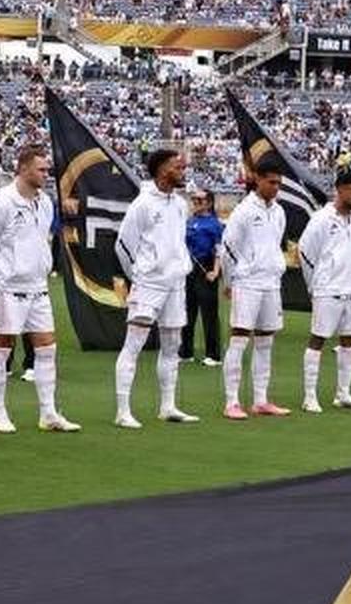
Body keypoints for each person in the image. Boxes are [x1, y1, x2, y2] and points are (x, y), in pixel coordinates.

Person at [0, 144, 76, 435]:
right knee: (2, 348)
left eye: (47, 169)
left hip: (38, 286)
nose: (47, 174)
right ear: (23, 168)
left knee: (47, 348)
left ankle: (48, 413)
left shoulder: (46, 202)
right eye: (42, 169)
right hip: (8, 287)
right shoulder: (2, 202)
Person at [116, 147, 200, 427]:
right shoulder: (142, 203)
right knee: (134, 345)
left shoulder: (179, 203)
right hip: (149, 284)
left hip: (176, 283)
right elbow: (124, 245)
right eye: (179, 167)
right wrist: (140, 276)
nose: (183, 171)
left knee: (172, 345)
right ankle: (123, 411)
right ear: (163, 169)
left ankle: (168, 406)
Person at [218, 155, 292, 420]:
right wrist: (230, 281)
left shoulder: (279, 211)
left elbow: (274, 246)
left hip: (271, 282)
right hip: (247, 282)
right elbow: (228, 248)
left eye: (278, 183)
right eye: (271, 182)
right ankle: (232, 402)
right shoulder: (244, 211)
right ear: (258, 180)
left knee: (265, 341)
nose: (275, 187)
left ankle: (261, 399)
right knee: (239, 339)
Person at [297, 169, 351, 413]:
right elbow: (305, 253)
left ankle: (343, 393)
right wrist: (314, 285)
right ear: (340, 190)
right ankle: (309, 396)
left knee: (350, 341)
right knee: (318, 340)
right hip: (327, 289)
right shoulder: (321, 219)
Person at [181, 190, 223, 366]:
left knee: (209, 314)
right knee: (187, 313)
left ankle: (213, 355)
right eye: (194, 199)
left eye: (199, 200)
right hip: (189, 269)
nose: (195, 202)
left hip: (206, 268)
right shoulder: (189, 221)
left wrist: (215, 271)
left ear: (209, 203)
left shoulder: (215, 225)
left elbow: (220, 250)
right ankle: (186, 352)